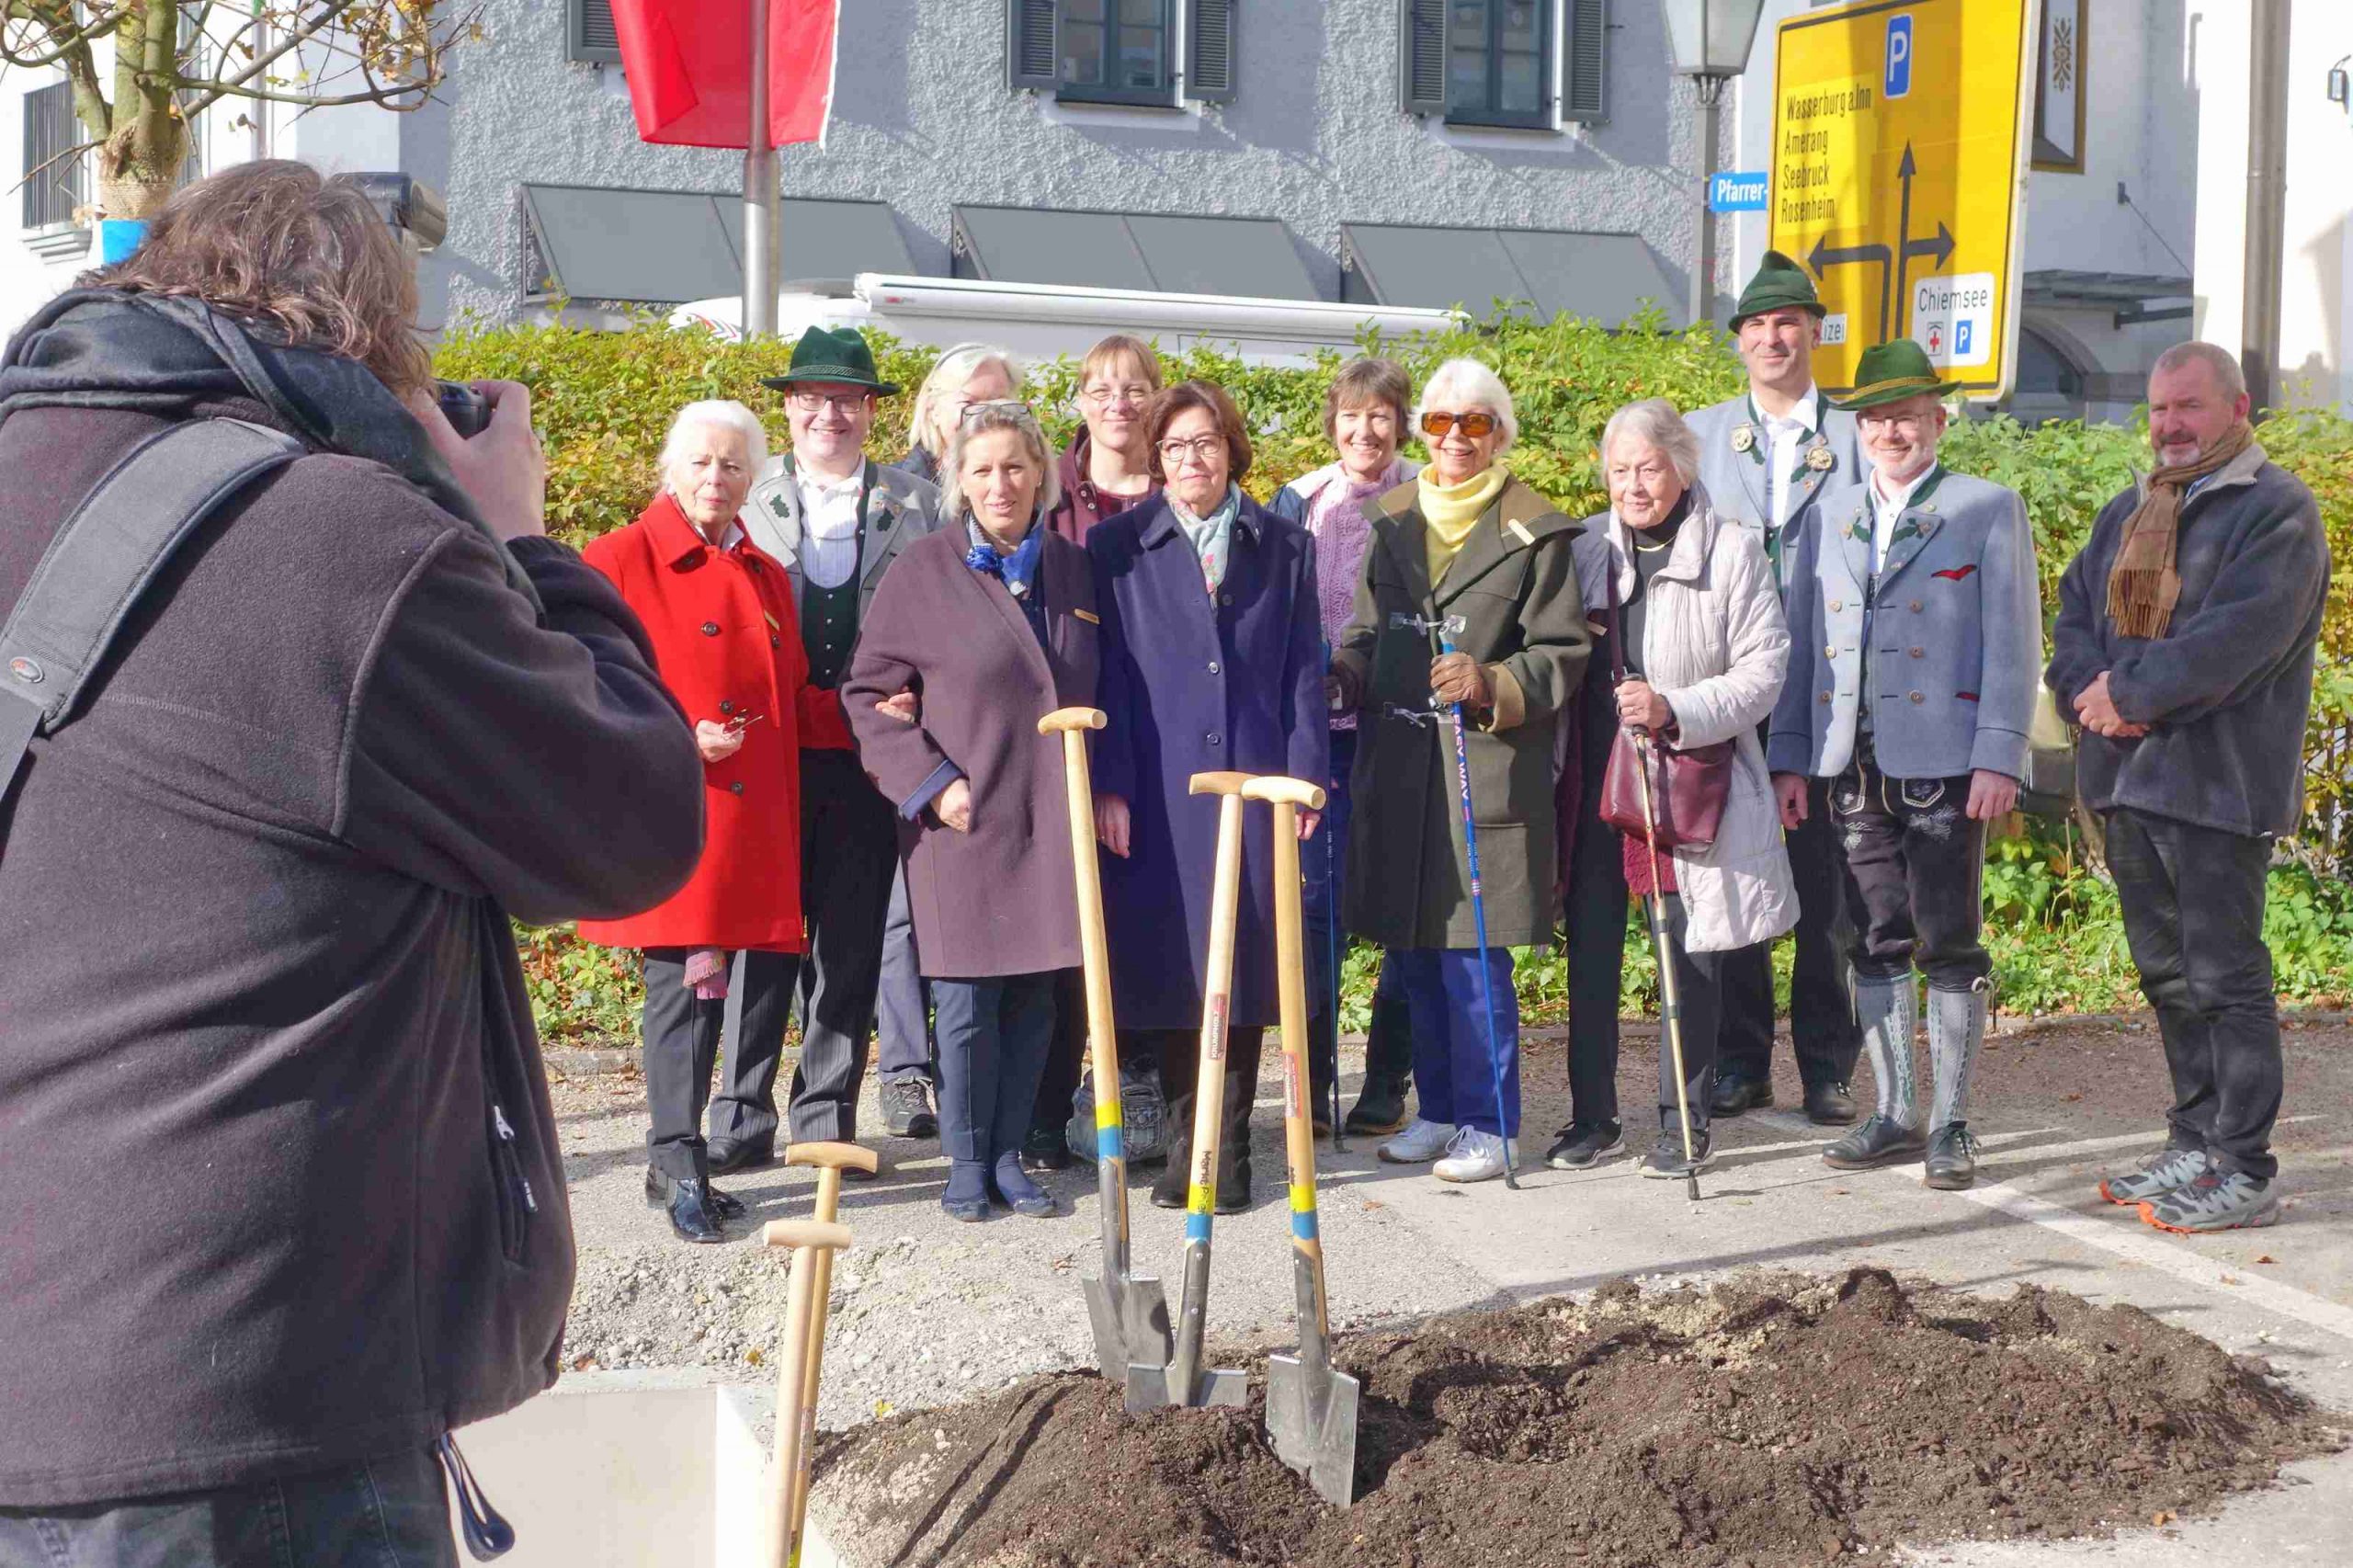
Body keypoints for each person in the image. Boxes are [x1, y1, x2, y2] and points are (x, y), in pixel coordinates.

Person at [0, 162, 701, 1561]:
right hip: (244, 1406)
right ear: (373, 351)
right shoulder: (341, 538)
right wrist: (520, 539)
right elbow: (630, 822)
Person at [2047, 342, 2329, 1233]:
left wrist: (2127, 697)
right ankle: (2195, 1139)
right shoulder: (2130, 508)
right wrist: (2089, 693)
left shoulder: (2276, 510)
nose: (2169, 424)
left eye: (2189, 407)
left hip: (2217, 786)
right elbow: (2074, 620)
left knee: (2224, 978)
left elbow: (2237, 642)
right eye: (2160, 407)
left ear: (2237, 408)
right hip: (2131, 783)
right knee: (2168, 976)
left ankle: (2243, 1166)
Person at [1769, 339, 2042, 1191]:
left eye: (1908, 416)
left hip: (1947, 762)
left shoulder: (1986, 507)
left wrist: (2000, 754)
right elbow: (1803, 643)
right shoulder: (1829, 514)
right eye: (1878, 419)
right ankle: (1895, 1111)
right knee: (1872, 933)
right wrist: (1790, 758)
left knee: (1948, 939)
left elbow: (2013, 641)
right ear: (1859, 428)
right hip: (1850, 762)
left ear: (1938, 420)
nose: (1892, 432)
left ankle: (1952, 1122)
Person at [1331, 358, 1592, 1184]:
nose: (1455, 438)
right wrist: (1344, 674)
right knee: (1412, 953)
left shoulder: (1536, 531)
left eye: (1474, 423)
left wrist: (1492, 682)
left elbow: (1563, 652)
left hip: (1485, 771)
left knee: (1473, 962)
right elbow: (1367, 631)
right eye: (1441, 422)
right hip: (1401, 773)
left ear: (1499, 434)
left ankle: (1492, 1124)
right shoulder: (1393, 520)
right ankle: (1440, 1110)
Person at [847, 402, 1100, 1221]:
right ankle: (964, 1161)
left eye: (1015, 466)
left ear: (1041, 474)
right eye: (982, 469)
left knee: (1034, 997)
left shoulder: (1072, 570)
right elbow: (867, 693)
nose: (1000, 484)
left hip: (1049, 814)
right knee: (964, 1002)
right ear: (958, 479)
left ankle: (1009, 1157)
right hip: (962, 816)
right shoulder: (924, 570)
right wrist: (932, 784)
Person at [578, 401, 817, 1243]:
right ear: (670, 470)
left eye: (734, 465)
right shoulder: (615, 559)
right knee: (683, 986)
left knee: (720, 992)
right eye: (702, 462)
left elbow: (793, 698)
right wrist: (680, 732)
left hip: (750, 819)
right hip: (673, 807)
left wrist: (882, 715)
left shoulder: (764, 573)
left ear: (754, 480)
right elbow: (578, 680)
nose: (717, 477)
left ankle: (675, 1160)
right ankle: (679, 1162)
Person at [1090, 380, 1326, 1212]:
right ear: (1156, 458)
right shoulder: (1116, 546)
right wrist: (1110, 785)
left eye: (1207, 441)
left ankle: (1224, 1159)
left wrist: (1307, 781)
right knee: (1172, 960)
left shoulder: (1286, 546)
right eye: (1177, 446)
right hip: (1159, 787)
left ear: (1232, 448)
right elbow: (1108, 676)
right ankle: (1184, 1142)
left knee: (1248, 959)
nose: (1193, 459)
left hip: (1257, 781)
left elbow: (1304, 670)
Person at [1552, 399, 1793, 1177]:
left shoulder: (1733, 550)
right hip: (1597, 779)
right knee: (1592, 953)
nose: (1633, 485)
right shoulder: (1585, 547)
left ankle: (1682, 1122)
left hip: (1684, 775)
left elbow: (1764, 671)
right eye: (1619, 470)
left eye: (1648, 468)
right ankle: (1593, 1118)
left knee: (1687, 953)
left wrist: (1674, 708)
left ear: (1682, 468)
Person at [734, 326, 943, 1167]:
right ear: (789, 407)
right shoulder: (745, 492)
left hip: (866, 751)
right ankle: (739, 1111)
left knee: (850, 939)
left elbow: (945, 620)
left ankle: (823, 1113)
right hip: (770, 751)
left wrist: (921, 694)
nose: (831, 414)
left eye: (848, 400)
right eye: (814, 398)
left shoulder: (919, 504)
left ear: (870, 412)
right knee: (761, 934)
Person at [1683, 250, 1868, 1128]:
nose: (1771, 338)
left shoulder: (1862, 438)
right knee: (1735, 880)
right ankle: (1739, 1059)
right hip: (1728, 690)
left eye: (1787, 322)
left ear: (1815, 331)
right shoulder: (1698, 436)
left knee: (1829, 895)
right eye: (1755, 325)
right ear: (1739, 342)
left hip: (1829, 692)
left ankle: (1828, 1066)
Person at [1025, 333, 1166, 1173]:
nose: (1119, 403)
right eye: (1102, 388)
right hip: (1068, 735)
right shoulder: (1048, 495)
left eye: (1135, 387)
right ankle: (1048, 1107)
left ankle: (1138, 1090)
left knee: (1147, 922)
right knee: (1068, 930)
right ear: (1079, 400)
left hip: (1164, 740)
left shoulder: (1183, 485)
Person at [1268, 356, 1419, 1138]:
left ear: (1401, 424)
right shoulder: (1300, 499)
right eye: (1352, 416)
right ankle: (1317, 1075)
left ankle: (1387, 1078)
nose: (1366, 431)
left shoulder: (1426, 494)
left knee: (1401, 910)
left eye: (1380, 415)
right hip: (1318, 739)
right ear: (1334, 425)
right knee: (1315, 911)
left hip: (1400, 736)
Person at [877, 343, 1022, 1139]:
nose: (981, 414)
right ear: (930, 407)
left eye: (997, 402)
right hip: (910, 729)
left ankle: (977, 1073)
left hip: (993, 732)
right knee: (905, 908)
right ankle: (905, 1072)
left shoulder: (1018, 488)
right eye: (966, 401)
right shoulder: (892, 492)